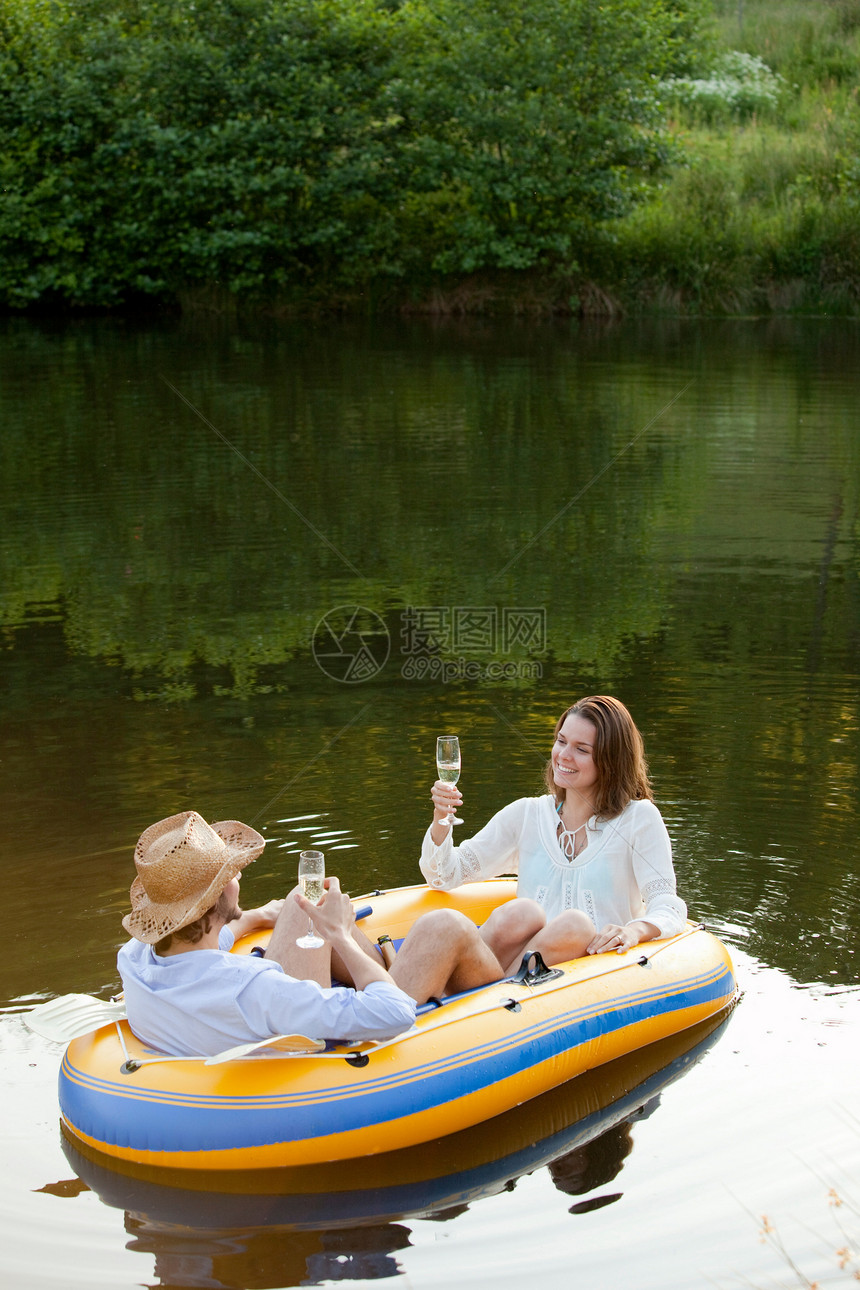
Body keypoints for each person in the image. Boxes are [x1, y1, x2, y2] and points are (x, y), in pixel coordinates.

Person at [118, 809, 507, 1058]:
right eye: (230, 874)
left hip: (257, 1019)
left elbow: (199, 951)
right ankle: (494, 985)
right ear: (217, 896)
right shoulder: (257, 988)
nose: (238, 876)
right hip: (310, 1046)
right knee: (445, 926)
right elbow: (396, 1014)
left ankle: (385, 964)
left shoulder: (134, 958)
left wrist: (250, 918)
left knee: (304, 897)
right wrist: (337, 932)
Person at [420, 695, 687, 973]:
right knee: (513, 915)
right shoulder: (526, 814)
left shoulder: (638, 819)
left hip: (598, 976)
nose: (563, 756)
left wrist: (634, 931)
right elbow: (445, 875)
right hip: (515, 972)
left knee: (573, 925)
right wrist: (441, 817)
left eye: (581, 749)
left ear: (611, 760)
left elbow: (667, 905)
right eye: (561, 741)